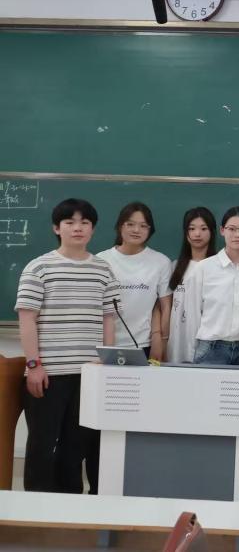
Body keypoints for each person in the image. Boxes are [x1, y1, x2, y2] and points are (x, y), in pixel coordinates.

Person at [16, 198, 119, 494]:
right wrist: (34, 365)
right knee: (42, 444)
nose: (77, 228)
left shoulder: (103, 269)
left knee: (76, 446)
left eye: (85, 223)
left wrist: (106, 363)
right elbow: (26, 319)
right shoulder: (39, 267)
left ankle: (70, 505)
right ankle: (36, 507)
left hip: (89, 374)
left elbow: (108, 319)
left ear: (93, 229)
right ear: (56, 228)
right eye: (70, 222)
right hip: (48, 373)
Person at [185, 207, 239, 366]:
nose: (237, 235)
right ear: (222, 230)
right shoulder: (203, 268)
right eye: (231, 229)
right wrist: (191, 352)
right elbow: (192, 316)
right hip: (211, 349)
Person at [97, 202, 172, 360]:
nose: (136, 230)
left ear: (150, 230)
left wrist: (162, 341)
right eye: (130, 224)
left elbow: (165, 307)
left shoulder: (161, 262)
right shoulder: (101, 260)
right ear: (120, 226)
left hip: (144, 345)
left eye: (143, 226)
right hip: (105, 343)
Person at [166, 207, 217, 364]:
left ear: (212, 232)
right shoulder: (174, 266)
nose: (197, 234)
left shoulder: (218, 267)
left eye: (203, 228)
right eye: (192, 228)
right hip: (177, 342)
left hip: (208, 344)